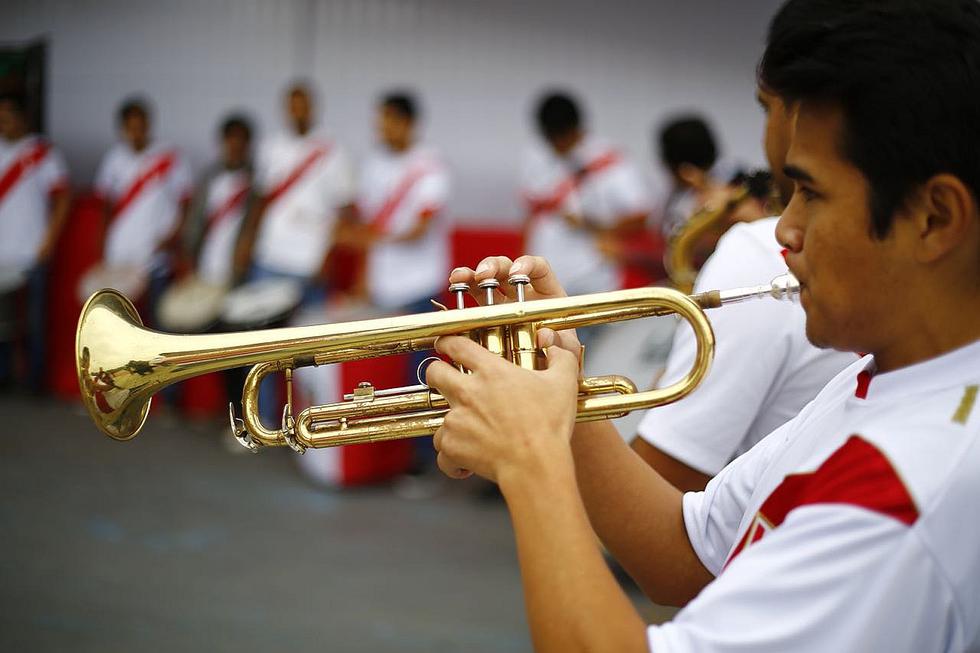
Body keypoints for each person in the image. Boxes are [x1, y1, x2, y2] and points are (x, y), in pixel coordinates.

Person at [427, 0, 980, 650]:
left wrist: (529, 460)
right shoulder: (879, 378)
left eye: (811, 192)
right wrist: (560, 379)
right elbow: (684, 550)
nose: (783, 229)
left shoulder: (908, 495)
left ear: (934, 218)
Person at [631, 88, 855, 491]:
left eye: (766, 108)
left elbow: (658, 480)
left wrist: (541, 435)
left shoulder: (756, 250)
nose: (785, 230)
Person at [520, 91, 651, 298]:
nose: (555, 145)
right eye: (549, 138)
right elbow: (532, 215)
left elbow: (641, 217)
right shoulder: (536, 157)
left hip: (591, 282)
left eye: (559, 138)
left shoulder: (609, 159)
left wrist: (593, 225)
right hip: (544, 284)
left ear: (575, 129)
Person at [235, 83, 355, 305]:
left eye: (303, 107)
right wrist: (247, 241)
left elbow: (345, 211)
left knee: (309, 332)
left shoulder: (333, 150)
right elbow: (260, 200)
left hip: (309, 261)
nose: (298, 113)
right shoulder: (270, 147)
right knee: (264, 332)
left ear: (313, 108)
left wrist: (328, 258)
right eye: (293, 107)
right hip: (269, 256)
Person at [344, 91, 450, 314]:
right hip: (382, 284)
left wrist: (358, 238)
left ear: (409, 122)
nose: (383, 128)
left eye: (390, 120)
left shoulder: (430, 164)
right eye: (381, 121)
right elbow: (368, 226)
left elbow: (419, 230)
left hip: (421, 283)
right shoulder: (372, 165)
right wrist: (363, 277)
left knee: (427, 350)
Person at [93, 97, 193, 319]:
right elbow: (105, 207)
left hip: (155, 256)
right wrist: (101, 245)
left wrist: (172, 237)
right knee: (121, 321)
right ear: (122, 129)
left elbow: (186, 203)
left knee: (158, 321)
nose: (136, 132)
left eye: (140, 126)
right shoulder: (113, 159)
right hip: (120, 256)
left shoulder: (169, 156)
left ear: (149, 124)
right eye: (130, 127)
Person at [0, 93, 71, 390]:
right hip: (2, 254)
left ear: (22, 117)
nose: (3, 122)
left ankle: (33, 383)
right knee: (3, 326)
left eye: (7, 116)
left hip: (32, 253)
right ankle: (5, 378)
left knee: (33, 322)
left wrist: (49, 241)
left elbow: (62, 198)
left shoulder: (42, 152)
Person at [182, 114, 255, 287]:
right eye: (231, 139)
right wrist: (189, 254)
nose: (236, 146)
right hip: (205, 265)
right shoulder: (210, 178)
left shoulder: (256, 181)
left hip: (238, 271)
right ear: (223, 141)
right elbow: (195, 220)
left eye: (241, 140)